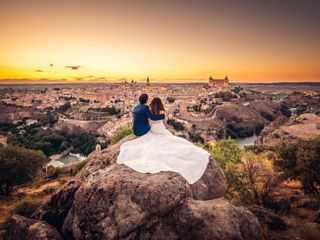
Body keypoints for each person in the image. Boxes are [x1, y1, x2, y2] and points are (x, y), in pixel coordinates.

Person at [117, 97, 209, 184]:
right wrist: (166, 128)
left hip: (153, 130)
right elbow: (164, 124)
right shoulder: (162, 112)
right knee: (173, 141)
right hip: (160, 129)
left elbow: (149, 121)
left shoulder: (149, 111)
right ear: (160, 104)